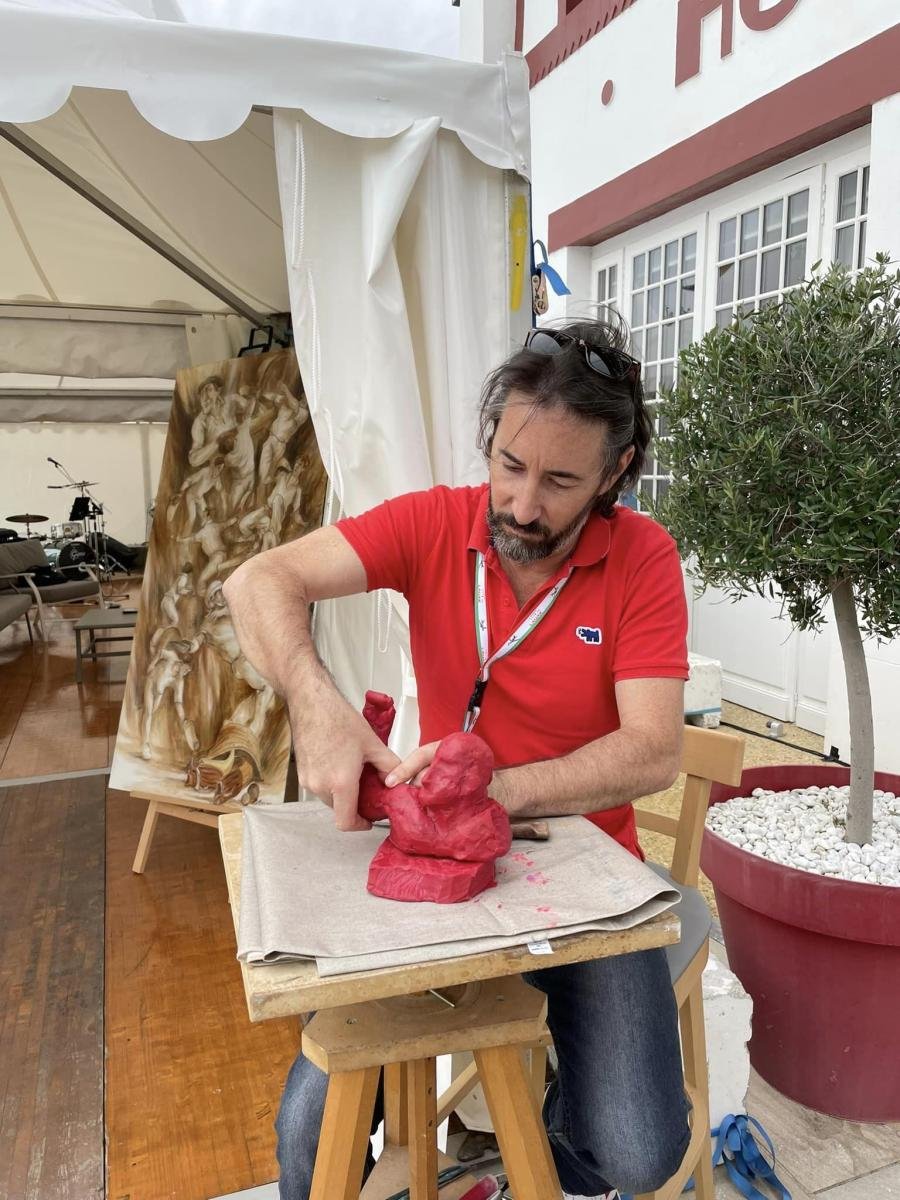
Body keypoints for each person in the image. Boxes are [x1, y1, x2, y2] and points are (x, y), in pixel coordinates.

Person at [223, 316, 691, 1200]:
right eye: (510, 465)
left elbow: (652, 750)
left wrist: (496, 791)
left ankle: (525, 1150)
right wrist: (314, 701)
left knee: (635, 1152)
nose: (522, 505)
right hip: (434, 868)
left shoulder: (643, 558)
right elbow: (256, 581)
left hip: (585, 873)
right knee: (307, 1141)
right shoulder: (437, 522)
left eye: (560, 481)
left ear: (615, 472)